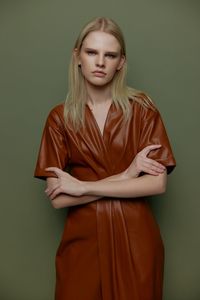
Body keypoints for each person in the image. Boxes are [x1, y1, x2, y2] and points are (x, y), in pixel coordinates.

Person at [34, 17, 176, 300]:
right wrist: (125, 176)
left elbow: (156, 184)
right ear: (77, 56)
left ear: (121, 62)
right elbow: (59, 198)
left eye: (110, 55)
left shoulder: (143, 110)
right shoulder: (59, 118)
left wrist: (84, 186)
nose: (100, 62)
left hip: (137, 240)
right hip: (82, 241)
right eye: (92, 53)